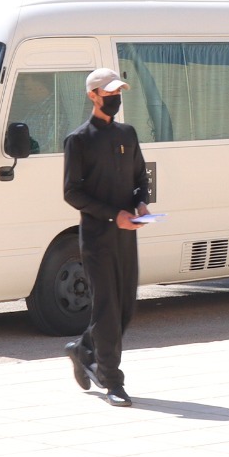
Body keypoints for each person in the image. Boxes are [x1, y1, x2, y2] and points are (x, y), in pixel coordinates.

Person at [62, 67, 151, 407]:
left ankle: (82, 349)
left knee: (126, 307)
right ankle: (113, 380)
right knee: (107, 309)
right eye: (109, 93)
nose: (115, 98)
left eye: (118, 93)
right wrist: (115, 215)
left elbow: (142, 178)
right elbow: (72, 193)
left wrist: (142, 204)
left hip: (127, 237)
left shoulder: (127, 134)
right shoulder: (79, 140)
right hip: (98, 238)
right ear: (93, 95)